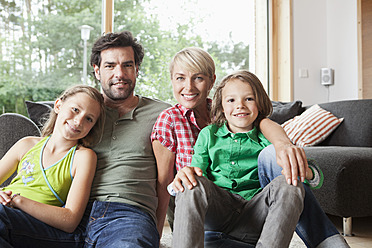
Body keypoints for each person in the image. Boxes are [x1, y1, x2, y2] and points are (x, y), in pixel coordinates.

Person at [151, 47, 307, 233]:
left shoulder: (228, 107)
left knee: (289, 186)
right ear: (172, 81)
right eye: (180, 78)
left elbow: (261, 124)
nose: (189, 87)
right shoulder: (169, 119)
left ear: (212, 81)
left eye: (198, 78)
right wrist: (157, 236)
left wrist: (282, 143)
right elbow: (163, 182)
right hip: (195, 206)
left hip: (242, 204)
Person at [84, 31, 171, 248]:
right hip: (74, 212)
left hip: (129, 215)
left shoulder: (162, 114)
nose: (119, 73)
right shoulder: (81, 113)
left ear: (137, 69)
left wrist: (155, 233)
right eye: (110, 66)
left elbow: (165, 183)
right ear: (97, 71)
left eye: (127, 65)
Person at [0, 85, 105, 247]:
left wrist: (17, 200)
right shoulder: (26, 144)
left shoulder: (83, 157)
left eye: (89, 119)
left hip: (38, 226)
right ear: (58, 105)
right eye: (76, 109)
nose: (78, 121)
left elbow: (70, 220)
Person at [258, 146, 350, 247]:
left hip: (266, 219)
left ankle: (326, 240)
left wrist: (303, 172)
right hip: (239, 224)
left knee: (273, 152)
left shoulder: (272, 140)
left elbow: (314, 177)